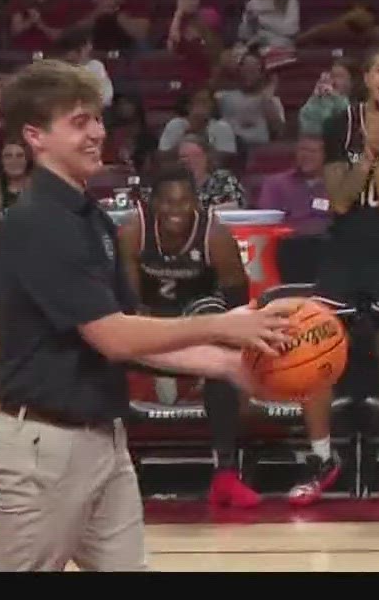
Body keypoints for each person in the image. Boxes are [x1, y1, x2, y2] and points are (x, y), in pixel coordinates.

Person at [0, 59, 298, 572]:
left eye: (97, 120)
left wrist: (229, 367)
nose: (96, 134)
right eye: (79, 122)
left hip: (103, 440)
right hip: (46, 447)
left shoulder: (94, 220)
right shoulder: (36, 222)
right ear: (35, 137)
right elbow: (113, 338)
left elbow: (138, 332)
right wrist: (223, 324)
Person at [290, 44, 379, 509]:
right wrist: (366, 154)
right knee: (315, 363)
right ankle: (320, 462)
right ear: (368, 78)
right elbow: (339, 199)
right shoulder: (338, 124)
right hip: (342, 255)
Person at [116, 165, 260, 509]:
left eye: (183, 203)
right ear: (153, 203)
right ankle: (112, 471)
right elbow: (129, 305)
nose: (175, 211)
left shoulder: (216, 237)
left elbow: (237, 307)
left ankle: (225, 474)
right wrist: (152, 340)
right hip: (151, 319)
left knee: (222, 364)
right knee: (103, 356)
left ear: (196, 203)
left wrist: (230, 354)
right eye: (167, 203)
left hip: (200, 319)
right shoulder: (134, 232)